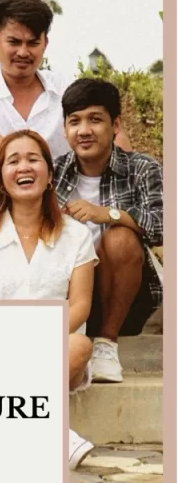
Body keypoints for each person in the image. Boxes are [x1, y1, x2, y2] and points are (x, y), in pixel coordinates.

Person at [0, 129, 98, 470]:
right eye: (13, 161)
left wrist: (35, 336)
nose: (23, 167)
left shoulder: (76, 234)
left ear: (50, 174)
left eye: (33, 159)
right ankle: (55, 436)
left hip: (53, 345)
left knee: (81, 346)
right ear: (0, 179)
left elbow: (81, 304)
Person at [0, 0, 131, 208]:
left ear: (45, 43)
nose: (23, 52)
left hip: (60, 201)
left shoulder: (65, 86)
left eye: (33, 43)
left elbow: (114, 132)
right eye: (14, 42)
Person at [55, 78, 163, 383]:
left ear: (115, 125)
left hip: (125, 296)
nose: (84, 130)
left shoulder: (142, 168)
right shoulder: (54, 171)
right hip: (71, 293)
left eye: (95, 119)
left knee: (119, 238)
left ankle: (106, 345)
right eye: (74, 121)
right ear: (64, 129)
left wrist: (110, 215)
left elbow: (162, 226)